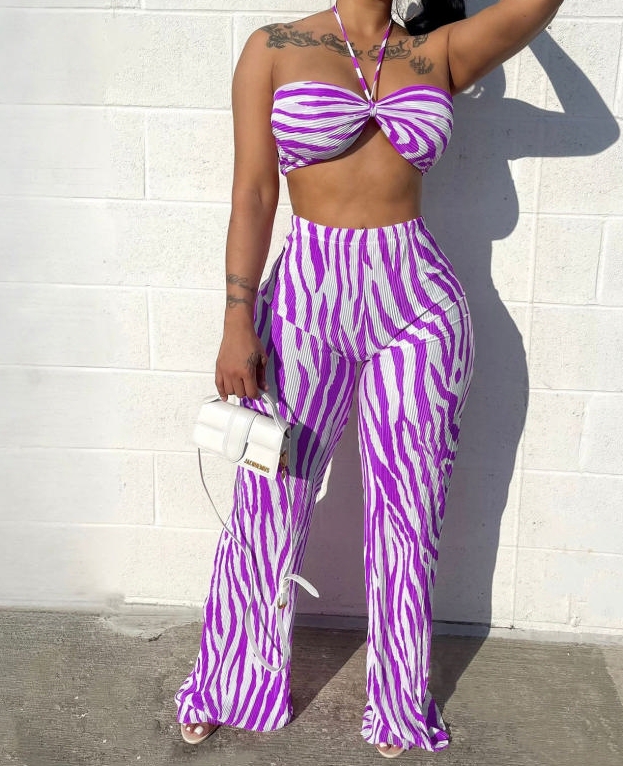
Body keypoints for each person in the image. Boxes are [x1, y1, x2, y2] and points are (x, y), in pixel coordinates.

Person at [175, 0, 563, 758]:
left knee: (409, 509)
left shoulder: (439, 52)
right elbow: (254, 192)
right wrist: (236, 319)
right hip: (305, 304)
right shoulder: (274, 46)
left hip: (418, 307)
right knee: (271, 497)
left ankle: (398, 702)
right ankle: (231, 681)